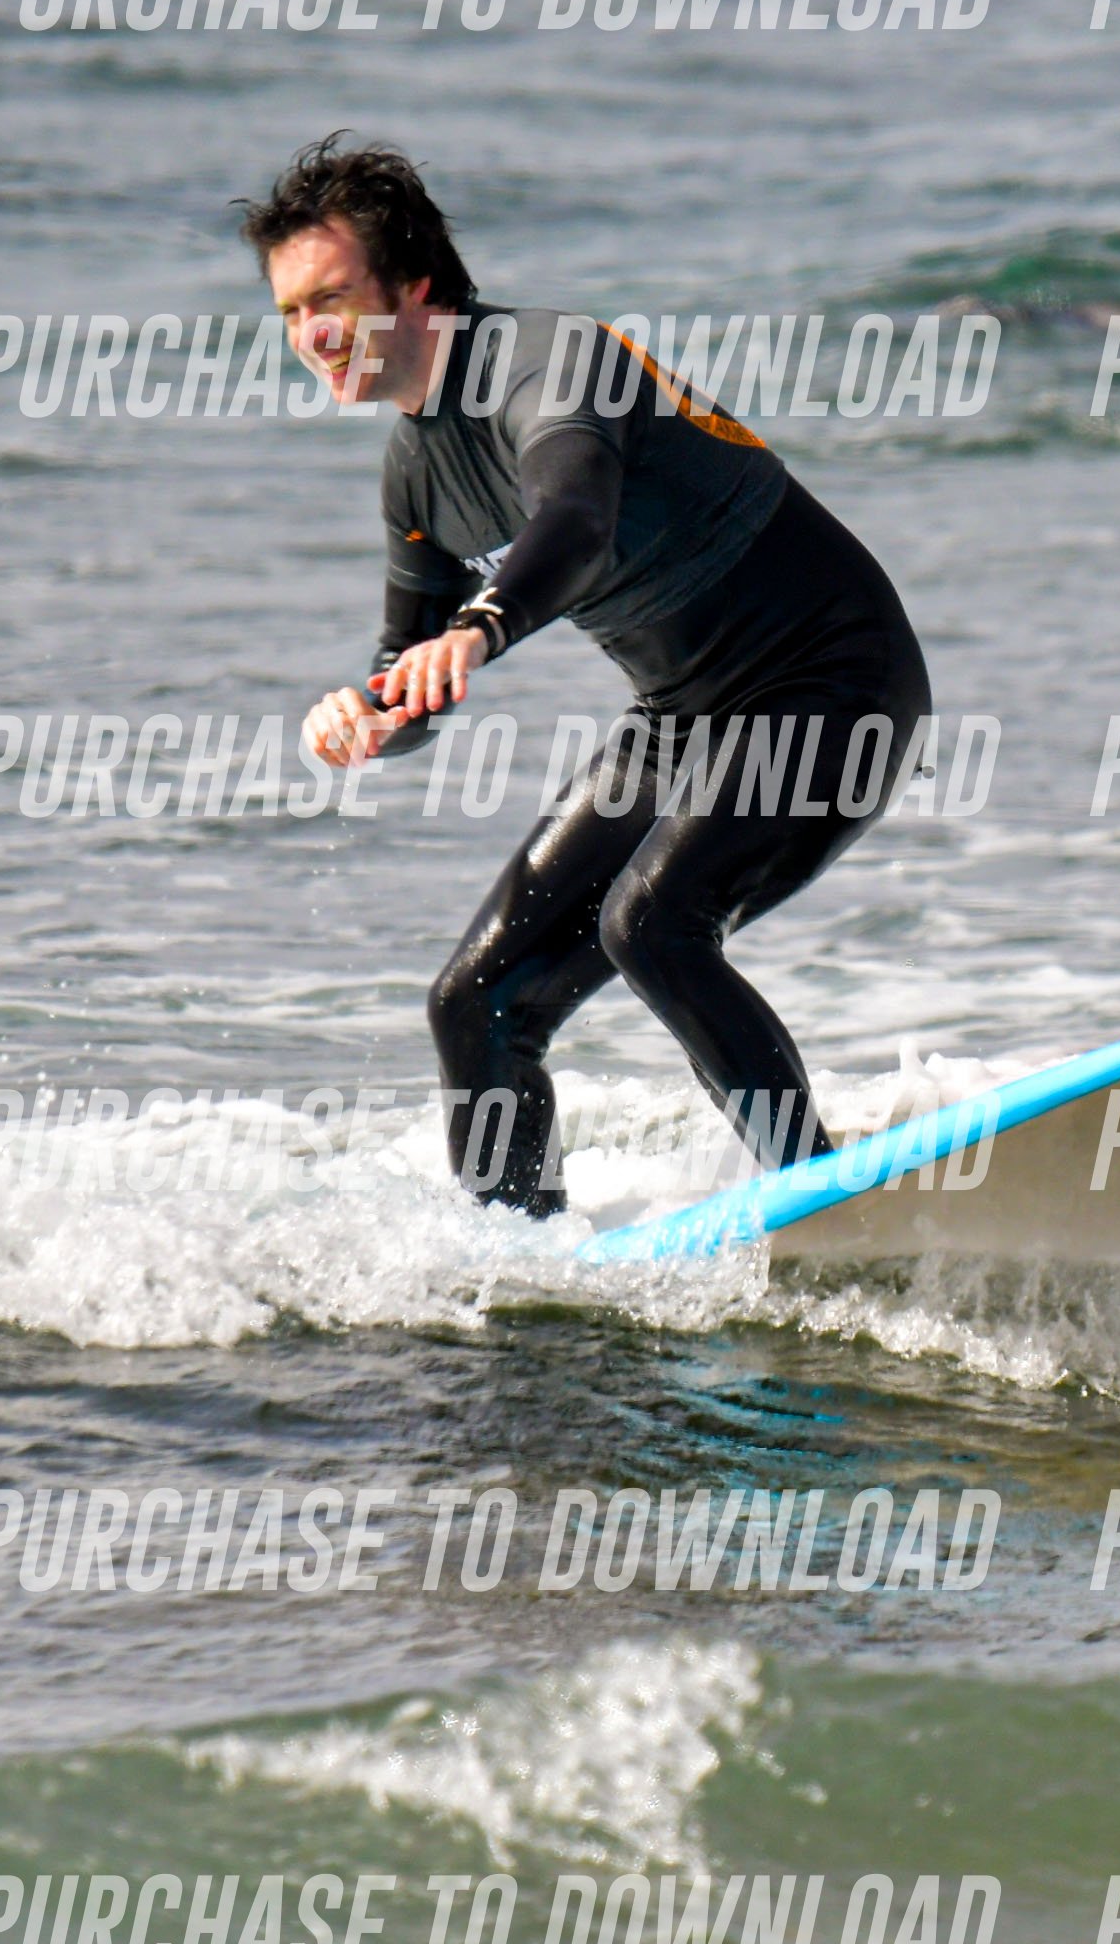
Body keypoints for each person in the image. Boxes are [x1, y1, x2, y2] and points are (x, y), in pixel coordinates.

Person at [268, 137, 932, 1214]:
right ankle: (515, 1262)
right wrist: (375, 714)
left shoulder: (546, 362)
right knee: (476, 1003)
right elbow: (409, 666)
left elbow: (574, 518)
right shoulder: (415, 473)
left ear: (416, 283)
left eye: (332, 298)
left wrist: (481, 627)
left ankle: (826, 1202)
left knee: (652, 924)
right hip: (682, 722)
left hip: (833, 682)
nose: (312, 334)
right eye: (293, 312)